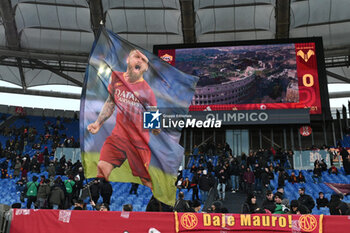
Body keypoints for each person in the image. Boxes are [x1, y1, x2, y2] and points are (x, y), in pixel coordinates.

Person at [87, 49, 160, 188]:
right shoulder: (115, 78)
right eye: (136, 57)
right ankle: (100, 206)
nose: (139, 61)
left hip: (138, 142)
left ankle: (161, 205)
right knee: (101, 169)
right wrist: (98, 123)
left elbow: (154, 119)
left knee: (146, 181)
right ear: (128, 60)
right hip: (117, 137)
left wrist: (156, 128)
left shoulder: (148, 91)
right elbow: (110, 102)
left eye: (143, 60)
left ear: (146, 67)